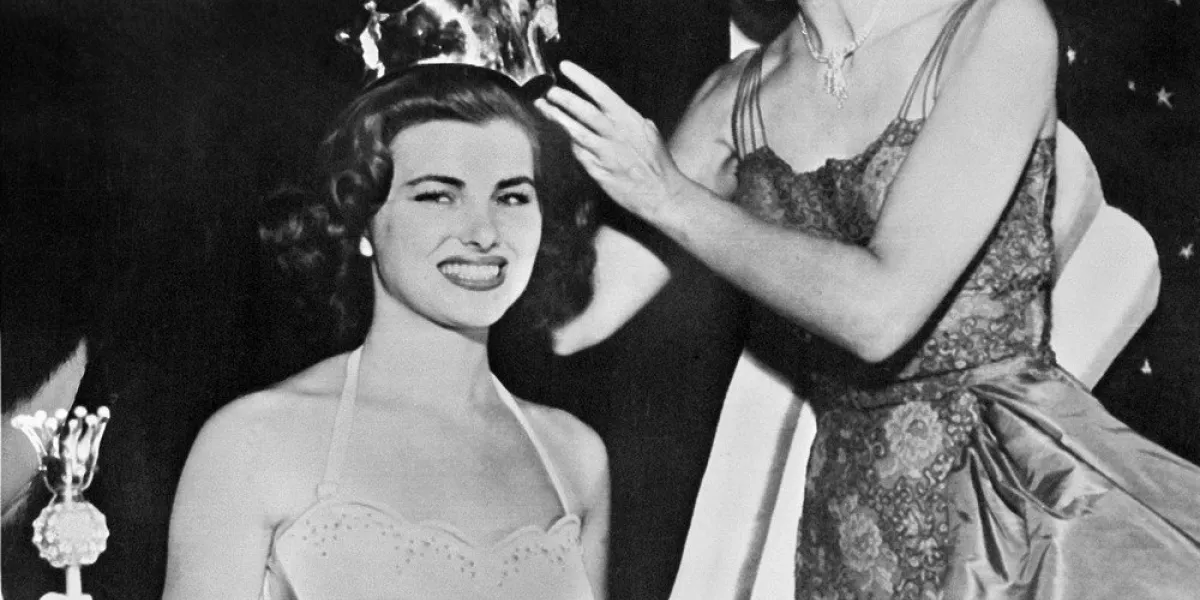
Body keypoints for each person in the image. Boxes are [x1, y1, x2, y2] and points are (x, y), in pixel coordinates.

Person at [538, 0, 1200, 597]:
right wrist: (504, 150)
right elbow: (579, 318)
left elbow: (880, 312)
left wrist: (669, 197)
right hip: (855, 524)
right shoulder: (732, 98)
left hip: (1017, 494)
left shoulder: (995, 23)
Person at [162, 63, 609, 600]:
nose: (484, 233)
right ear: (361, 221)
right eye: (438, 195)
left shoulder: (574, 457)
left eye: (511, 197)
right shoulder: (254, 440)